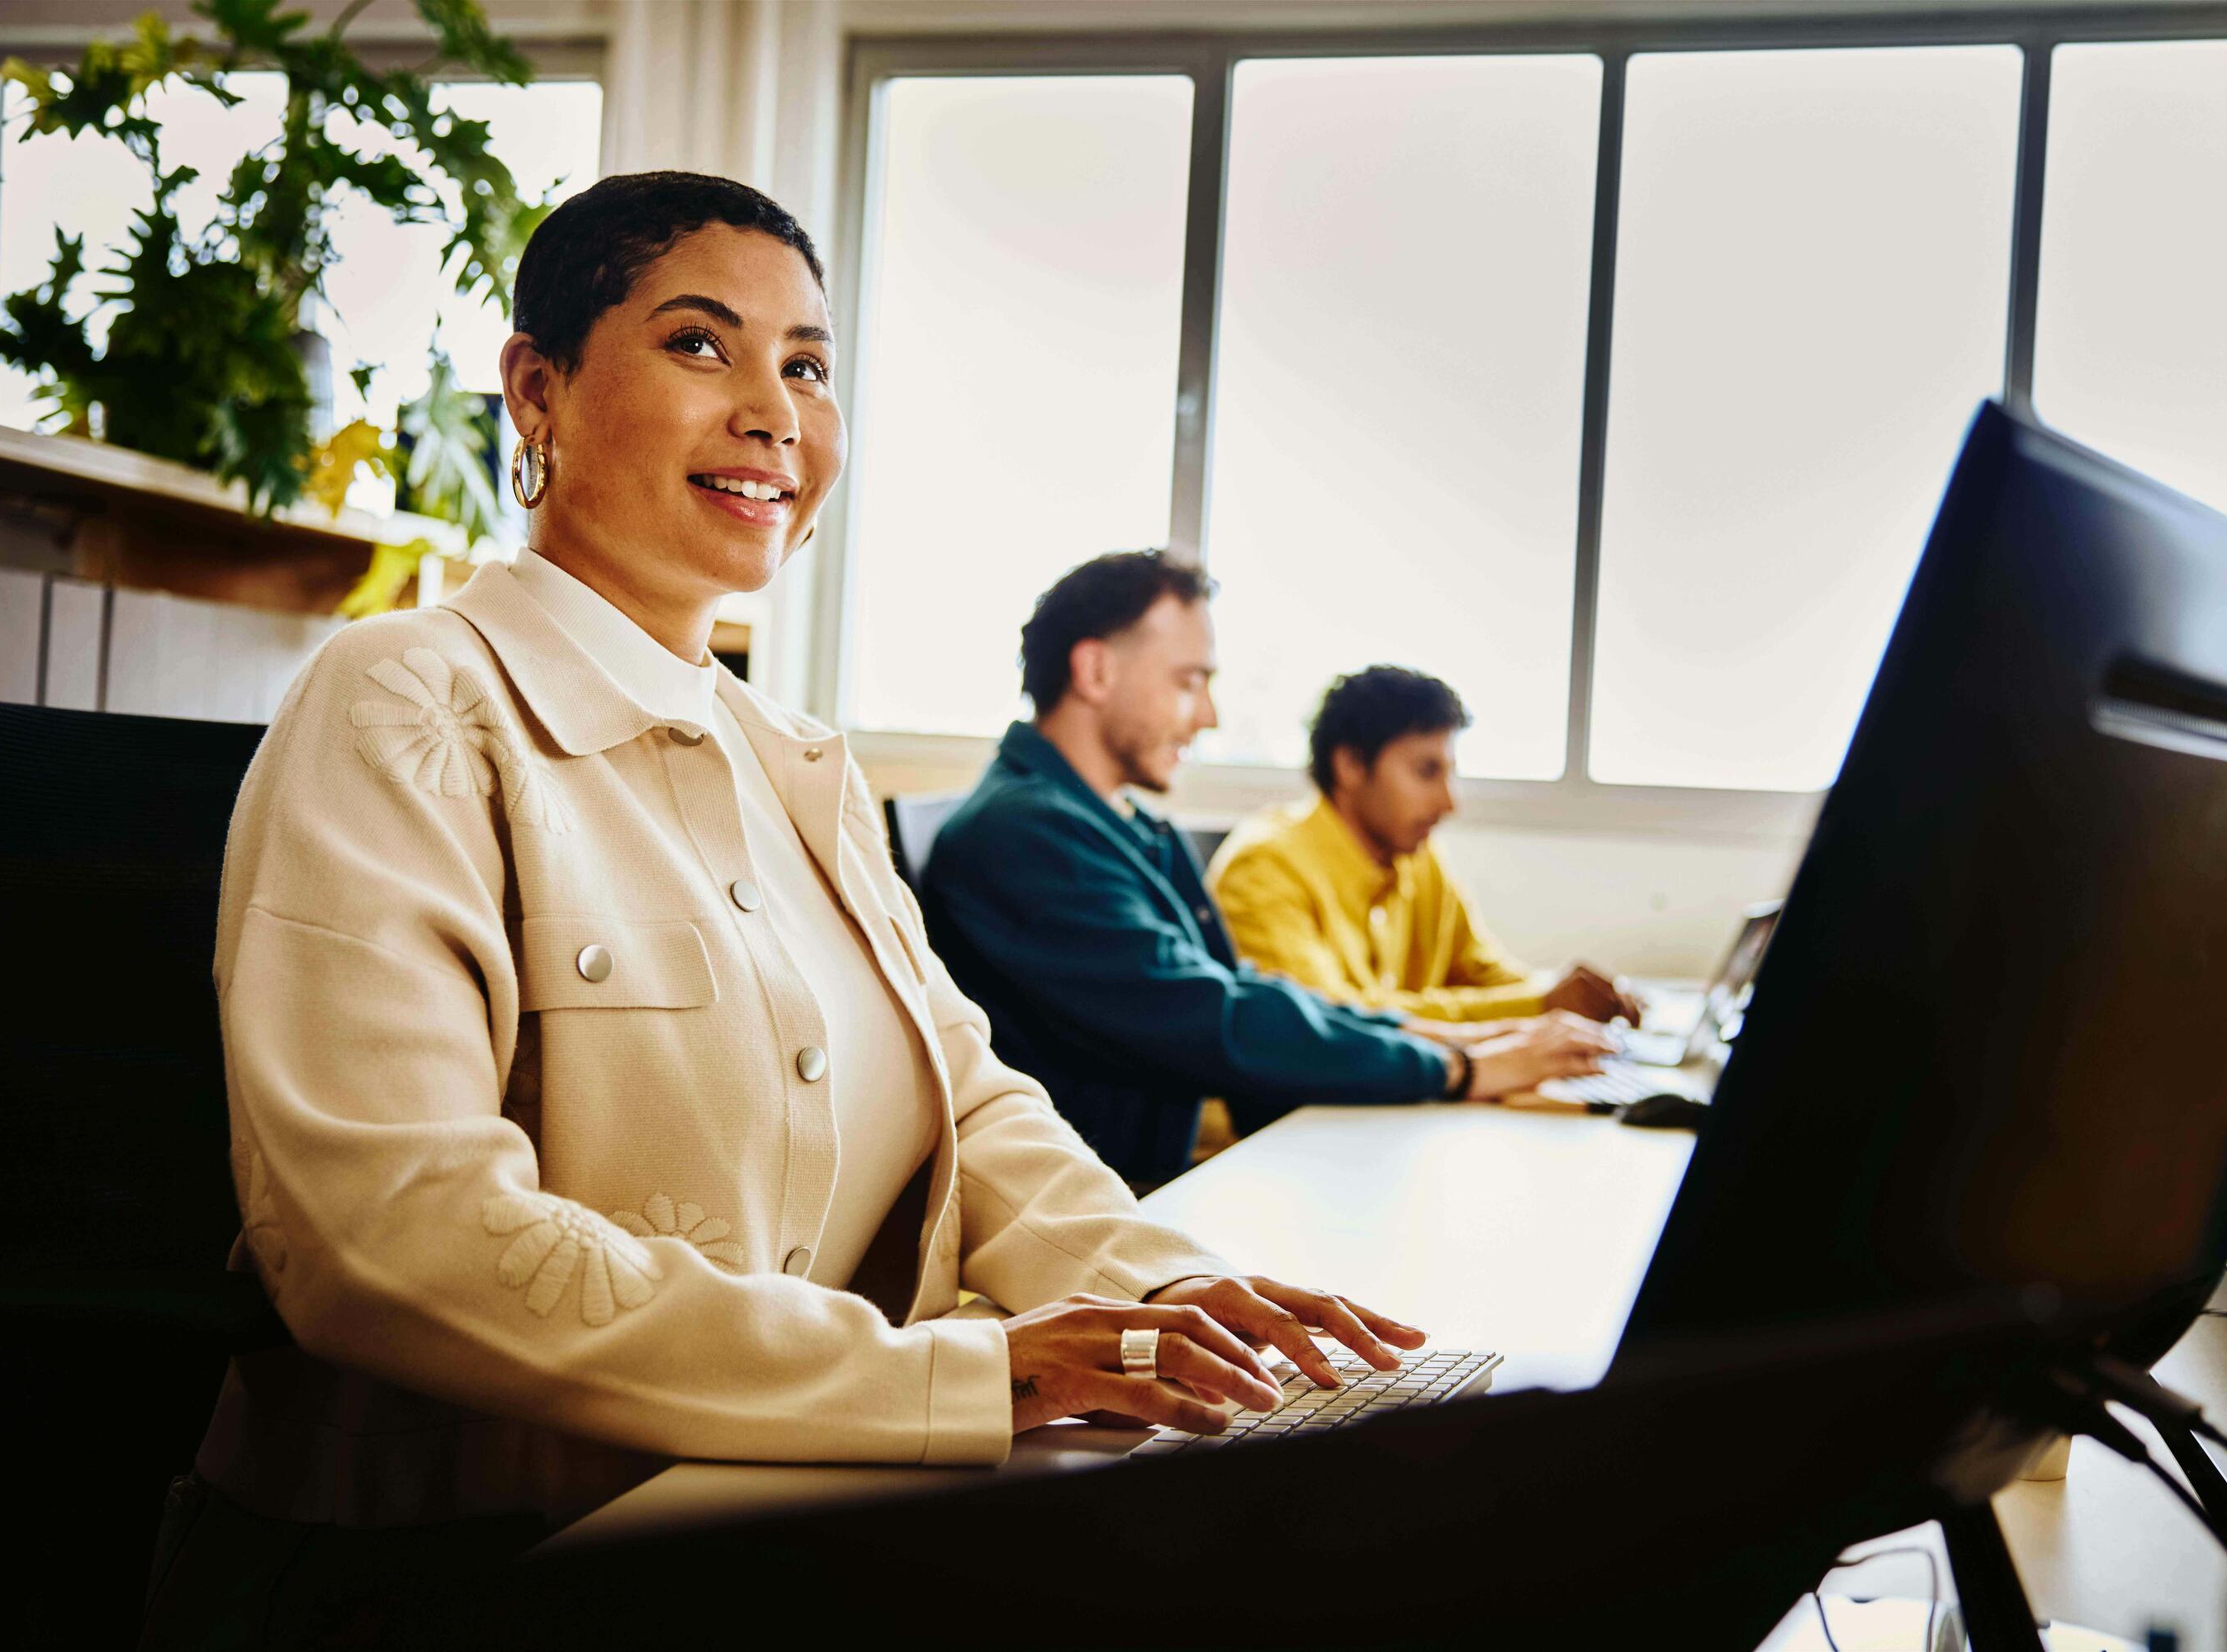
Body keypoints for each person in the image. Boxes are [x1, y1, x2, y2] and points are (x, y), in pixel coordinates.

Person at [145, 173, 1421, 1645]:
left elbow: (976, 1107)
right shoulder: (403, 701)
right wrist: (960, 1377)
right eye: (702, 346)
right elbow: (389, 1237)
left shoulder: (794, 758)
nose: (775, 413)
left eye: (807, 367)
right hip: (451, 1573)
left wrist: (1189, 1314)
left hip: (765, 1521)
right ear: (538, 389)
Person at [919, 553, 1614, 1190]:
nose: (1211, 714)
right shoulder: (1027, 832)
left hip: (1147, 1187)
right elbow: (1213, 1017)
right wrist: (1461, 1068)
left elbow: (1241, 989)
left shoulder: (1115, 824)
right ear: (1095, 671)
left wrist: (1461, 1041)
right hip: (1105, 1208)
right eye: (1190, 681)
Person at [1210, 665, 1645, 1026]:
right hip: (1285, 1125)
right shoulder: (1264, 868)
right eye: (1426, 772)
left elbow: (1482, 971)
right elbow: (1334, 1025)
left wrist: (1567, 998)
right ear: (1350, 765)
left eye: (1449, 773)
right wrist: (1538, 1007)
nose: (1449, 803)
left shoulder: (1416, 857)